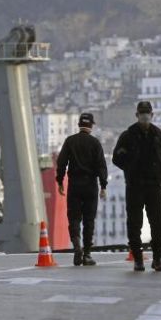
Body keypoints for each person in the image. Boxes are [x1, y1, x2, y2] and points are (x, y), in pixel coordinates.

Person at [112, 101, 161, 272]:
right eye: (142, 113)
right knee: (135, 223)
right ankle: (138, 259)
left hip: (154, 185)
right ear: (137, 115)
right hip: (135, 186)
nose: (145, 116)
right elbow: (117, 158)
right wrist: (130, 166)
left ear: (152, 115)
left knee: (158, 223)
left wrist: (160, 175)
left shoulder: (159, 135)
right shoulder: (127, 135)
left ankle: (157, 259)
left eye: (147, 113)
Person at [56, 112, 108, 266]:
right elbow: (101, 166)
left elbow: (61, 163)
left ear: (79, 124)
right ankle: (87, 254)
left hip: (74, 185)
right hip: (91, 186)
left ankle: (77, 246)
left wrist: (59, 181)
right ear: (91, 125)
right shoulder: (95, 143)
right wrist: (103, 186)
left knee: (74, 218)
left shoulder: (70, 141)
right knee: (89, 220)